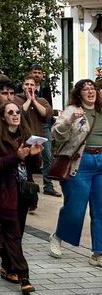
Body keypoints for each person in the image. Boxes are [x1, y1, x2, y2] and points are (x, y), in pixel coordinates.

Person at [0, 102, 42, 293]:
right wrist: (16, 156)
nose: (15, 115)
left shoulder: (26, 135)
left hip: (23, 193)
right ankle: (24, 276)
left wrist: (34, 155)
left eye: (17, 112)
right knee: (14, 235)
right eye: (10, 112)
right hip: (4, 193)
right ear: (3, 117)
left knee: (14, 233)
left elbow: (34, 167)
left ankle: (6, 267)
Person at [49, 79, 102, 266]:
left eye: (92, 88)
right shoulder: (72, 110)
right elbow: (56, 134)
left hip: (101, 162)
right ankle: (58, 236)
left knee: (100, 209)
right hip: (80, 162)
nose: (90, 91)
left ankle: (98, 253)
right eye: (85, 89)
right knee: (75, 208)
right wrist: (70, 120)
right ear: (79, 94)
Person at [14, 75, 55, 196]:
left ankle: (48, 185)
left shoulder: (42, 100)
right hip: (24, 136)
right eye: (26, 84)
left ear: (36, 87)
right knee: (27, 162)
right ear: (22, 86)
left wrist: (34, 101)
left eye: (32, 85)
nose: (29, 87)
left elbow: (46, 114)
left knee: (47, 157)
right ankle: (25, 188)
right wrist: (28, 101)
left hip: (40, 135)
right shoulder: (16, 99)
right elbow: (18, 113)